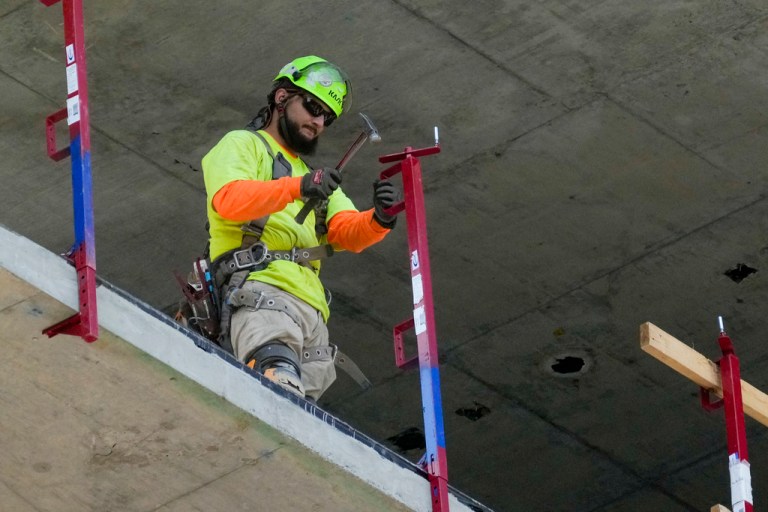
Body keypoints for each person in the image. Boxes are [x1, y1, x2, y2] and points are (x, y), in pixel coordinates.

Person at [201, 56, 399, 401]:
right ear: (282, 98)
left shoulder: (314, 179)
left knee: (296, 425)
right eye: (312, 107)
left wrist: (380, 218)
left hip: (313, 317)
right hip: (263, 295)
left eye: (327, 117)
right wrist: (298, 187)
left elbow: (348, 233)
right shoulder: (245, 144)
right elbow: (229, 199)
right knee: (276, 389)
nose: (319, 121)